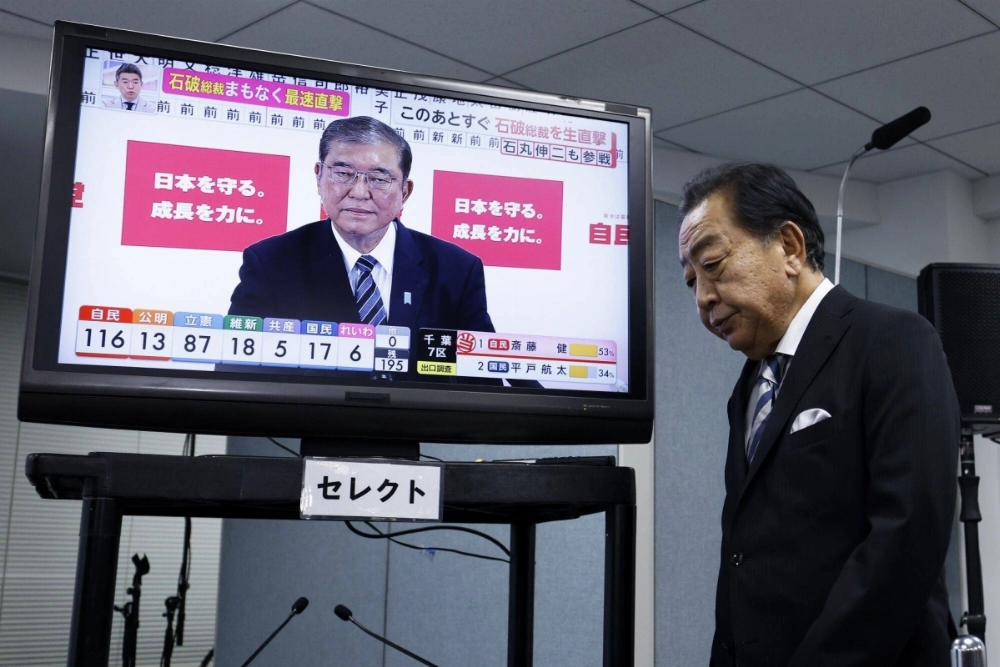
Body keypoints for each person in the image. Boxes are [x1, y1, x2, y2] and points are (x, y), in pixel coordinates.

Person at [677, 163, 959, 666]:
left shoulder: (894, 341)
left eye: (714, 264)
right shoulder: (749, 387)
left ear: (788, 246)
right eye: (691, 281)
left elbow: (907, 537)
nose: (703, 298)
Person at [228, 115, 495, 377]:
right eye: (343, 173)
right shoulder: (271, 262)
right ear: (319, 177)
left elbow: (481, 376)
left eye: (379, 179)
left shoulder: (456, 269)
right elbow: (238, 369)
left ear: (405, 192)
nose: (359, 192)